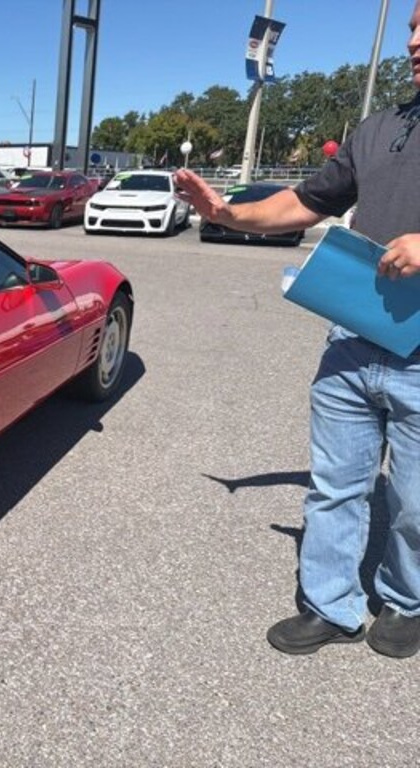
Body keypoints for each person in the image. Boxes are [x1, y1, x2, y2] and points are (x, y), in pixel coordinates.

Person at [174, 2, 420, 657]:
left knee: (416, 501)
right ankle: (331, 606)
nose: (416, 40)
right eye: (414, 27)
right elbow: (303, 204)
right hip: (354, 336)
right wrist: (227, 210)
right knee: (336, 484)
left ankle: (404, 600)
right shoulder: (379, 128)